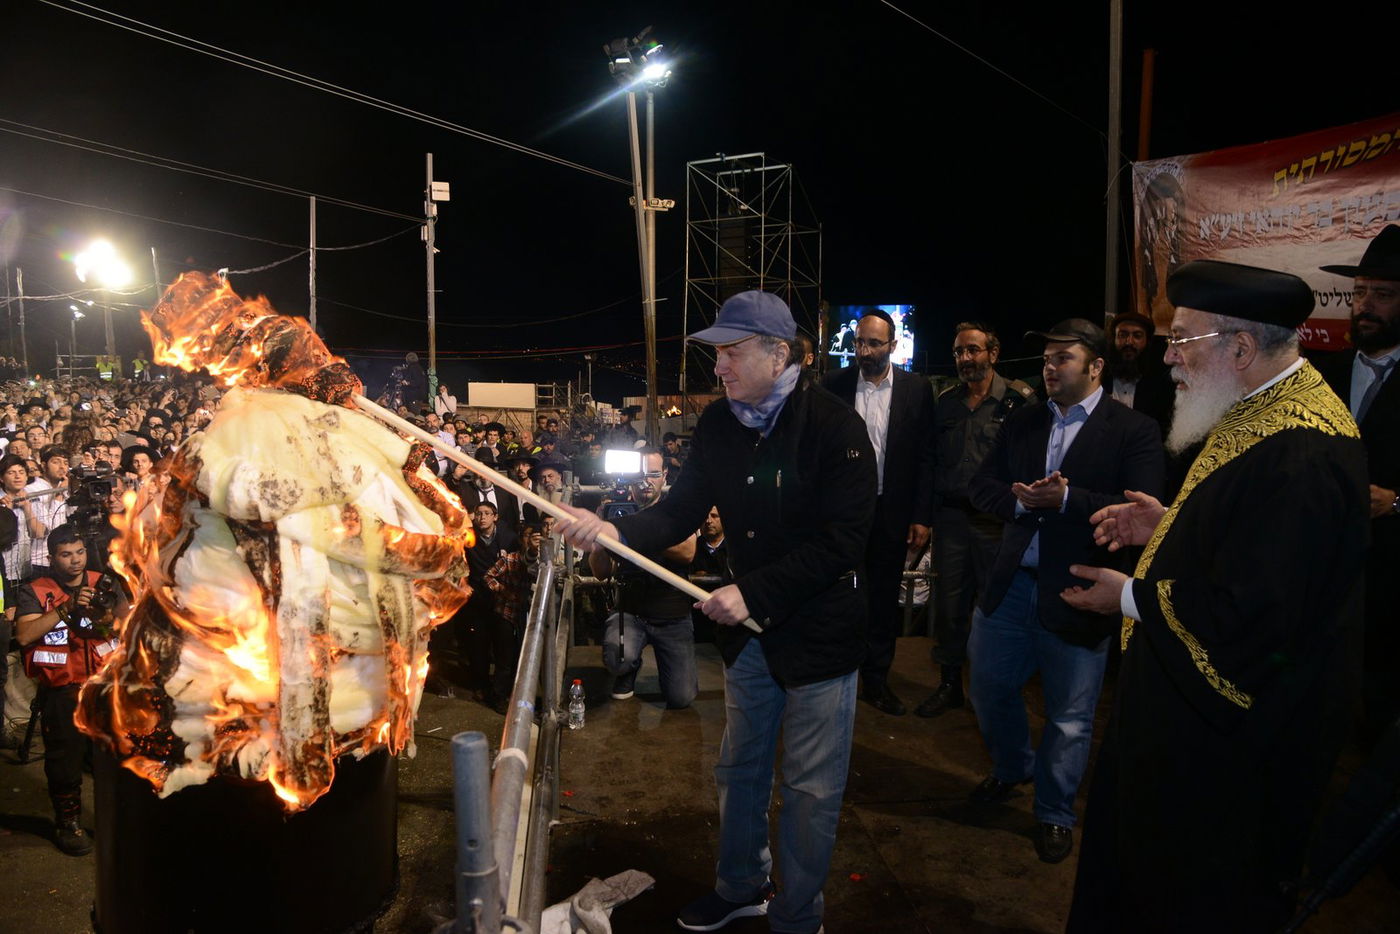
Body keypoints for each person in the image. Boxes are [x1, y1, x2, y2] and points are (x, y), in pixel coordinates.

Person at [1061, 260, 1369, 932]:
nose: (1168, 357)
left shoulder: (1301, 453)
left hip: (1227, 765)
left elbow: (1256, 616)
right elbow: (1252, 539)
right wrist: (1167, 524)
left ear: (1239, 347)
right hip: (1194, 741)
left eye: (1183, 341)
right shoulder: (1263, 406)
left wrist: (1133, 597)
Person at [557, 290, 876, 934]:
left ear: (777, 352)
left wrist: (756, 592)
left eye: (732, 351)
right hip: (749, 641)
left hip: (820, 638)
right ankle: (740, 887)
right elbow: (679, 509)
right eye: (718, 352)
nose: (720, 367)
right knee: (739, 768)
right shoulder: (719, 425)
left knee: (811, 792)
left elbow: (845, 542)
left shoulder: (834, 428)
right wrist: (616, 531)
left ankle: (797, 916)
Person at [966, 318, 1164, 864]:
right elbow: (981, 484)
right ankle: (1013, 768)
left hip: (1082, 589)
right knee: (986, 689)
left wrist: (1068, 499)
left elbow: (1143, 506)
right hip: (1010, 586)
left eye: (1063, 359)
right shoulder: (1023, 422)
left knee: (1071, 717)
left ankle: (1054, 811)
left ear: (1096, 366)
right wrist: (1022, 502)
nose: (1049, 368)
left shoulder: (1135, 430)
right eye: (1047, 359)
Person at [916, 322, 1035, 718]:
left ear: (993, 353)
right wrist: (924, 516)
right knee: (950, 607)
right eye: (958, 352)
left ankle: (994, 690)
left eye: (973, 350)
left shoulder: (1019, 402)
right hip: (951, 521)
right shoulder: (946, 402)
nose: (965, 359)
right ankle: (950, 685)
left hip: (996, 523)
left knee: (996, 606)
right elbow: (930, 462)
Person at [822, 308, 935, 716]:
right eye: (859, 342)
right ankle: (840, 676)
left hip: (892, 510)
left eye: (873, 343)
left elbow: (925, 457)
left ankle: (877, 680)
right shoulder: (833, 385)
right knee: (841, 592)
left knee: (884, 597)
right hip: (844, 512)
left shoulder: (916, 389)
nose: (864, 350)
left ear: (892, 345)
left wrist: (921, 515)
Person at [1315, 224, 1400, 745]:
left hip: (1392, 590)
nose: (1365, 305)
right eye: (1360, 293)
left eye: (1383, 296)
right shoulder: (1321, 374)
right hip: (1324, 579)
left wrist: (1397, 503)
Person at [17, 525, 126, 855]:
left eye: (79, 552)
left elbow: (127, 622)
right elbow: (24, 636)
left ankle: (114, 821)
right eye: (66, 555)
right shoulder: (35, 590)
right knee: (65, 762)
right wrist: (65, 608)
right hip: (64, 691)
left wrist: (108, 613)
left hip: (107, 687)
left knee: (115, 760)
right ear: (52, 559)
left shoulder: (103, 582)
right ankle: (69, 823)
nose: (75, 560)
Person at [589, 448, 698, 708]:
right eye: (639, 474)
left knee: (682, 698)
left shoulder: (677, 510)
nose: (645, 481)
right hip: (630, 611)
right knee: (618, 659)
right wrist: (602, 535)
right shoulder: (615, 511)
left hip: (672, 614)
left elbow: (688, 552)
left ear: (664, 476)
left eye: (652, 474)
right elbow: (600, 572)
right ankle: (627, 670)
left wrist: (633, 529)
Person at [1106, 310, 1175, 438]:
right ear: (1113, 340)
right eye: (1122, 335)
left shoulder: (1161, 385)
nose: (1129, 342)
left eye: (1137, 336)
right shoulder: (1097, 380)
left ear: (1147, 342)